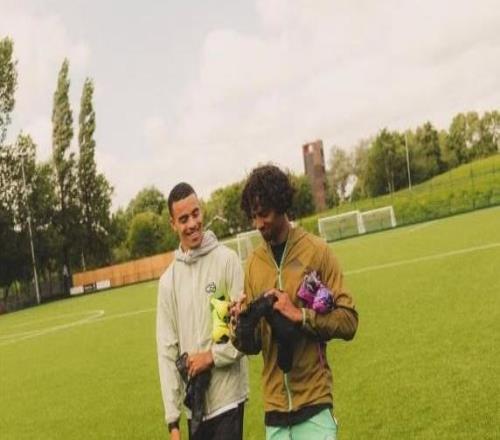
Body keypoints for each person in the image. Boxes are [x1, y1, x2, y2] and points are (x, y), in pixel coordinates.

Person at [232, 165, 358, 440]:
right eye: (253, 216)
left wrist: (300, 315)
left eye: (264, 214)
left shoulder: (317, 251)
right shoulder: (253, 264)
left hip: (314, 404)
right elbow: (253, 345)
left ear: (281, 205)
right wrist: (240, 325)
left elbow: (349, 321)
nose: (258, 224)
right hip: (274, 412)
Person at [156, 182, 248, 440]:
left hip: (228, 399)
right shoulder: (168, 282)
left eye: (195, 214)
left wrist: (210, 357)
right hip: (194, 408)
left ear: (202, 211)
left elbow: (242, 334)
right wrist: (172, 422)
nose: (192, 224)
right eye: (183, 219)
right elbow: (166, 352)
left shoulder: (226, 261)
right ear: (173, 224)